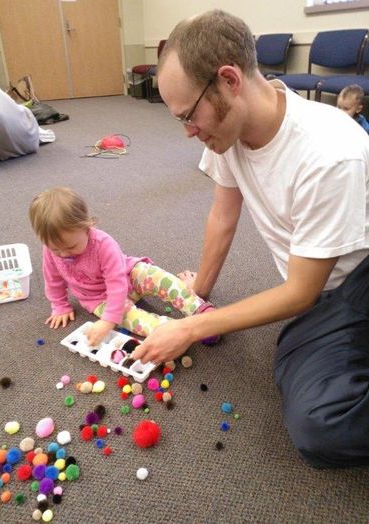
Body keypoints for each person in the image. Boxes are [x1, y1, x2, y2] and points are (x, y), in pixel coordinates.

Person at [132, 10, 369, 468]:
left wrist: (190, 327)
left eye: (189, 115)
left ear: (229, 79)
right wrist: (196, 292)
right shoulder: (227, 132)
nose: (187, 132)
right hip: (320, 287)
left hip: (354, 283)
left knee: (319, 425)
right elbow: (223, 216)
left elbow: (302, 293)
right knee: (290, 360)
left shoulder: (329, 153)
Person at [29, 186, 218, 348]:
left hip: (126, 276)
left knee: (157, 276)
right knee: (135, 321)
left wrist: (107, 322)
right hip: (98, 299)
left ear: (87, 226)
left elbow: (116, 283)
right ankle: (178, 331)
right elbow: (52, 280)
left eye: (70, 247)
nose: (64, 254)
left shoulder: (103, 244)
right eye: (56, 249)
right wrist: (60, 305)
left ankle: (200, 310)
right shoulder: (50, 250)